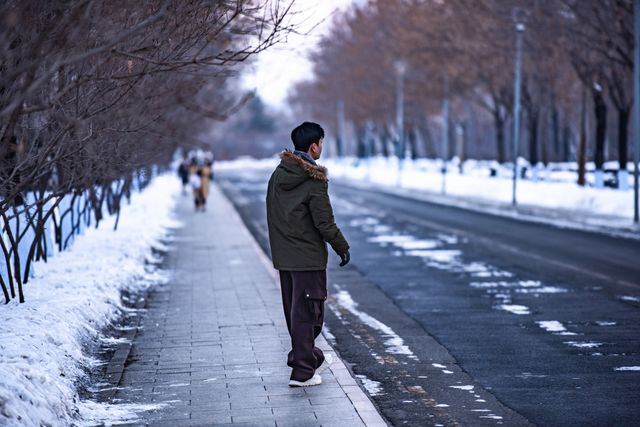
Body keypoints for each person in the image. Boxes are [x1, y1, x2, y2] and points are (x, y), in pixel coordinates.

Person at [266, 121, 350, 387]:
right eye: (322, 143)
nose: (322, 147)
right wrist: (342, 246)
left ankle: (309, 358)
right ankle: (303, 370)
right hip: (307, 257)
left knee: (296, 312)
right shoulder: (313, 179)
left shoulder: (279, 174)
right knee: (310, 315)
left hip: (285, 257)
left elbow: (274, 213)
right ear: (314, 146)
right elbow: (324, 222)